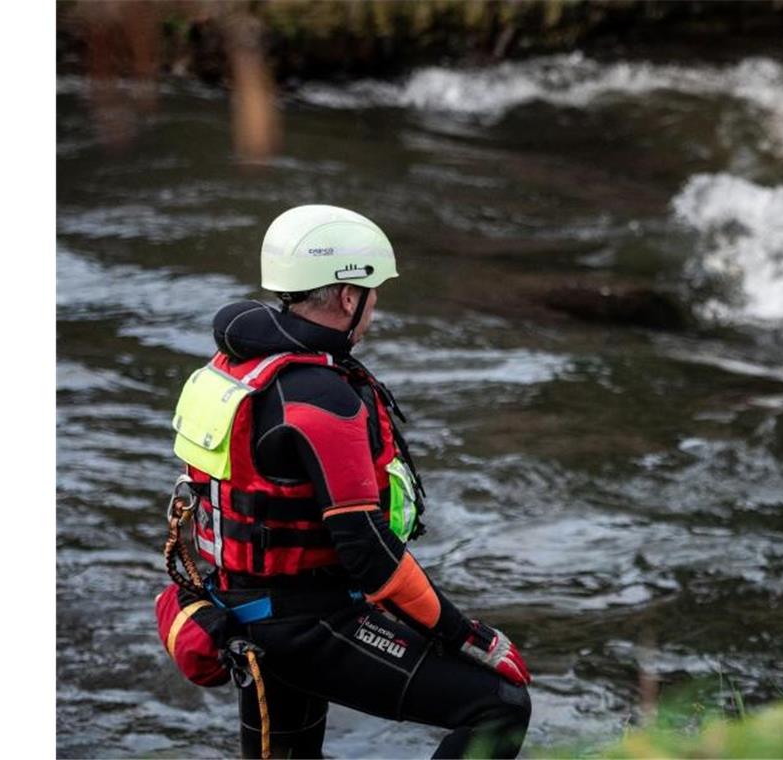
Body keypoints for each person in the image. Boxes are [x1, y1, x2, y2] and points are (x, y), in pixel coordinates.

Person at [167, 205, 532, 758]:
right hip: (305, 623)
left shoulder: (239, 365)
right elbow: (366, 549)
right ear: (347, 295)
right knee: (499, 703)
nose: (375, 306)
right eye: (374, 292)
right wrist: (465, 634)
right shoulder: (320, 395)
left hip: (243, 611)